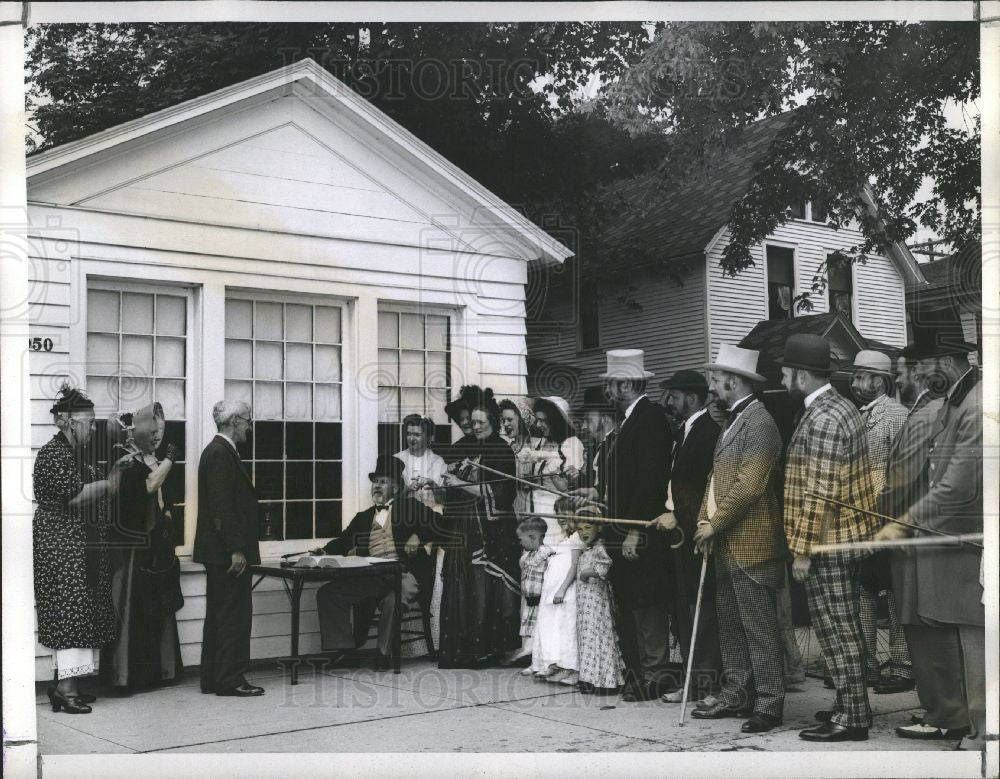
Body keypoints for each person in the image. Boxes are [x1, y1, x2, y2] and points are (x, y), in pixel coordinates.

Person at [876, 336, 985, 750]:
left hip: (962, 542)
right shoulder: (956, 402)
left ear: (946, 361)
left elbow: (955, 485)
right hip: (948, 536)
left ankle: (977, 734)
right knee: (958, 634)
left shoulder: (972, 405)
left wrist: (903, 521)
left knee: (971, 640)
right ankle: (971, 727)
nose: (916, 373)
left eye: (921, 363)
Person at [781, 334, 878, 742]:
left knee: (837, 629)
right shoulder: (840, 406)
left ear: (801, 374)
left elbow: (819, 494)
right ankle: (849, 704)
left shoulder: (822, 417)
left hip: (829, 541)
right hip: (842, 537)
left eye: (785, 372)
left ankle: (852, 717)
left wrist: (803, 550)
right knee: (844, 626)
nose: (783, 378)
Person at [686, 346, 786, 734]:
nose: (712, 386)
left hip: (752, 544)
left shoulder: (760, 422)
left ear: (734, 380)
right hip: (728, 541)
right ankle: (737, 694)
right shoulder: (732, 420)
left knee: (759, 629)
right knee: (731, 626)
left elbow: (750, 485)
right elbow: (717, 481)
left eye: (716, 379)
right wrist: (704, 521)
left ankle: (770, 703)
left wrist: (715, 524)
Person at [570, 349, 673, 702]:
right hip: (619, 529)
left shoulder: (650, 418)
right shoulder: (630, 420)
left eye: (612, 384)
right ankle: (638, 671)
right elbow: (624, 479)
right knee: (630, 600)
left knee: (647, 602)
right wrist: (598, 494)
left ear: (626, 383)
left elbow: (651, 480)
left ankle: (655, 673)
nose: (610, 391)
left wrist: (636, 529)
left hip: (637, 532)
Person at [34, 384, 123, 714]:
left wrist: (112, 475)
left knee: (80, 613)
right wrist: (107, 485)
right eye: (89, 421)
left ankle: (67, 686)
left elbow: (97, 490)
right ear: (69, 421)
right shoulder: (53, 454)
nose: (93, 426)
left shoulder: (77, 456)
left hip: (80, 546)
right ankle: (66, 688)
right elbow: (72, 496)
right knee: (70, 613)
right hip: (64, 550)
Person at [310, 455, 441, 668]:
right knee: (328, 593)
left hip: (403, 574)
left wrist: (418, 535)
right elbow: (344, 541)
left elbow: (440, 523)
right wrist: (323, 551)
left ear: (397, 488)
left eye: (383, 482)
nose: (377, 486)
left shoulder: (411, 508)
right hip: (373, 577)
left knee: (393, 600)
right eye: (375, 482)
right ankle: (346, 651)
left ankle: (383, 654)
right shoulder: (363, 517)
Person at [437, 386, 522, 668]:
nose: (474, 427)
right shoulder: (468, 448)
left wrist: (461, 484)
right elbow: (455, 486)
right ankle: (465, 650)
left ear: (493, 423)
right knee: (467, 588)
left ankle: (490, 649)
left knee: (488, 589)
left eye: (480, 423)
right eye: (472, 423)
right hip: (466, 528)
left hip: (493, 532)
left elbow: (503, 494)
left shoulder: (501, 450)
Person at [102, 402, 184, 692]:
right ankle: (129, 675)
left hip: (154, 546)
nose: (156, 437)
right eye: (151, 431)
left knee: (156, 605)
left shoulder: (150, 459)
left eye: (159, 432)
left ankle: (157, 672)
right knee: (134, 606)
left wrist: (168, 511)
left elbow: (162, 494)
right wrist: (170, 461)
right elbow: (147, 488)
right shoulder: (124, 458)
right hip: (133, 547)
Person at [653, 369, 723, 704]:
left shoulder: (709, 432)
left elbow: (709, 487)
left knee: (703, 610)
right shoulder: (682, 431)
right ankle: (694, 682)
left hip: (699, 533)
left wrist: (679, 516)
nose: (669, 401)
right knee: (685, 609)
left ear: (692, 398)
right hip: (680, 534)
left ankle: (709, 686)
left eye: (674, 395)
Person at [849, 350, 913, 694]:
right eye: (855, 377)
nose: (856, 384)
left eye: (862, 377)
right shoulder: (859, 415)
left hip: (887, 517)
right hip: (863, 518)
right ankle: (867, 663)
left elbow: (899, 473)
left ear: (880, 380)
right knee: (865, 591)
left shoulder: (895, 416)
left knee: (893, 592)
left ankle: (902, 666)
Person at [193, 400, 264, 697]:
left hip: (217, 551)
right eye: (248, 420)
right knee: (233, 616)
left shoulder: (217, 451)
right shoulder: (221, 454)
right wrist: (236, 549)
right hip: (227, 553)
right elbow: (222, 507)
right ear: (234, 421)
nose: (250, 426)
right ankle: (230, 679)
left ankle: (214, 678)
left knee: (220, 615)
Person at [530, 501, 584, 684]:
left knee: (567, 629)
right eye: (558, 513)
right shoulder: (565, 538)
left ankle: (572, 669)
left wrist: (562, 588)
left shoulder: (578, 536)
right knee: (557, 628)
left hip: (567, 590)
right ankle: (557, 665)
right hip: (555, 592)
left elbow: (575, 566)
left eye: (566, 512)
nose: (561, 517)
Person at [574, 509, 626, 694]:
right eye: (579, 529)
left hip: (597, 604)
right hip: (585, 605)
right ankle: (590, 678)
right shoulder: (586, 551)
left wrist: (585, 573)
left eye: (588, 527)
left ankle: (607, 680)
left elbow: (603, 569)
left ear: (598, 527)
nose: (583, 532)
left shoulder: (600, 548)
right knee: (587, 639)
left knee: (599, 637)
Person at [529, 396, 585, 523]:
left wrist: (550, 460)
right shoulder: (542, 442)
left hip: (560, 512)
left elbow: (569, 485)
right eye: (537, 420)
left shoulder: (571, 444)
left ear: (556, 420)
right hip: (538, 509)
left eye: (543, 421)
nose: (538, 425)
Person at [516, 516, 554, 670]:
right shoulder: (529, 555)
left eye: (521, 539)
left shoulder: (545, 552)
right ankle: (534, 663)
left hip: (541, 601)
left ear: (532, 537)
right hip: (531, 601)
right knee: (532, 634)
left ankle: (543, 664)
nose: (520, 542)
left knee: (541, 634)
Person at [394, 414, 447, 514]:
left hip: (432, 516)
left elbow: (444, 498)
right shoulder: (397, 459)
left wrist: (432, 484)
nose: (411, 438)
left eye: (417, 435)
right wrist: (407, 489)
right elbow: (389, 496)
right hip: (404, 515)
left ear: (428, 437)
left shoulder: (438, 461)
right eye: (409, 434)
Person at [498, 398, 537, 517]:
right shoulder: (508, 447)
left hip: (528, 509)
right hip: (509, 509)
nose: (505, 424)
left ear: (522, 421)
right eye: (503, 420)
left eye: (509, 420)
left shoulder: (535, 448)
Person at [574, 386, 617, 489]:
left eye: (588, 420)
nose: (584, 427)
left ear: (604, 419)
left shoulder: (619, 446)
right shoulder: (594, 449)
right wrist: (580, 475)